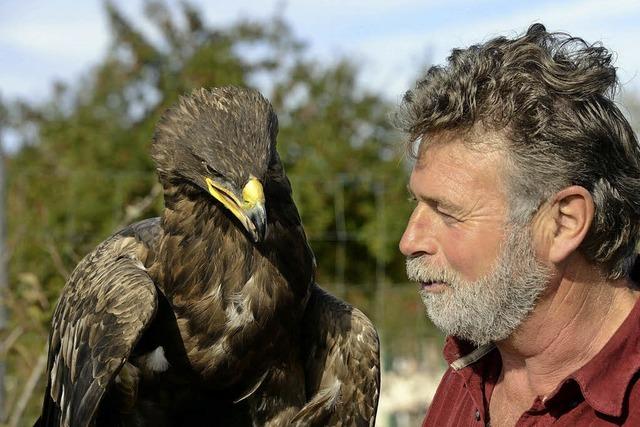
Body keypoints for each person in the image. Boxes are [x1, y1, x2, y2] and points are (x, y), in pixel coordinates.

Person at [394, 23, 640, 426]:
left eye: (448, 212)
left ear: (563, 223)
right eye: (417, 202)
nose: (409, 241)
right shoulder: (471, 366)